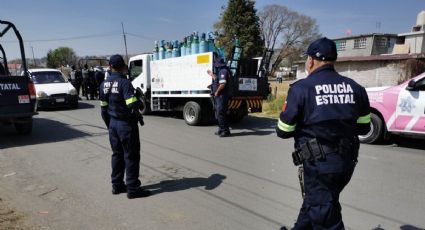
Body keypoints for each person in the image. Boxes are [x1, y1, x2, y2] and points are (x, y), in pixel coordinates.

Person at [275, 37, 371, 229]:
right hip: (347, 163)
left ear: (310, 61)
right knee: (318, 201)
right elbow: (364, 127)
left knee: (325, 214)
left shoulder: (301, 88)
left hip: (319, 165)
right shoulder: (356, 88)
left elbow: (283, 130)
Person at [99, 54, 151, 199]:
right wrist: (140, 101)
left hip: (112, 125)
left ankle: (117, 185)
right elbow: (132, 104)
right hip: (126, 126)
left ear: (110, 66)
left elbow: (103, 109)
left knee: (117, 155)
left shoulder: (103, 85)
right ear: (123, 66)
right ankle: (133, 188)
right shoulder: (124, 83)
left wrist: (110, 126)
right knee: (131, 156)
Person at [207, 56, 231, 137]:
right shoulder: (220, 71)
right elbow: (218, 80)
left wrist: (216, 92)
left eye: (216, 64)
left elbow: (223, 84)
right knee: (219, 113)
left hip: (221, 96)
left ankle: (225, 131)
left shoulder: (223, 71)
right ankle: (221, 129)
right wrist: (212, 75)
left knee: (221, 113)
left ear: (218, 65)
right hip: (219, 96)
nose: (215, 66)